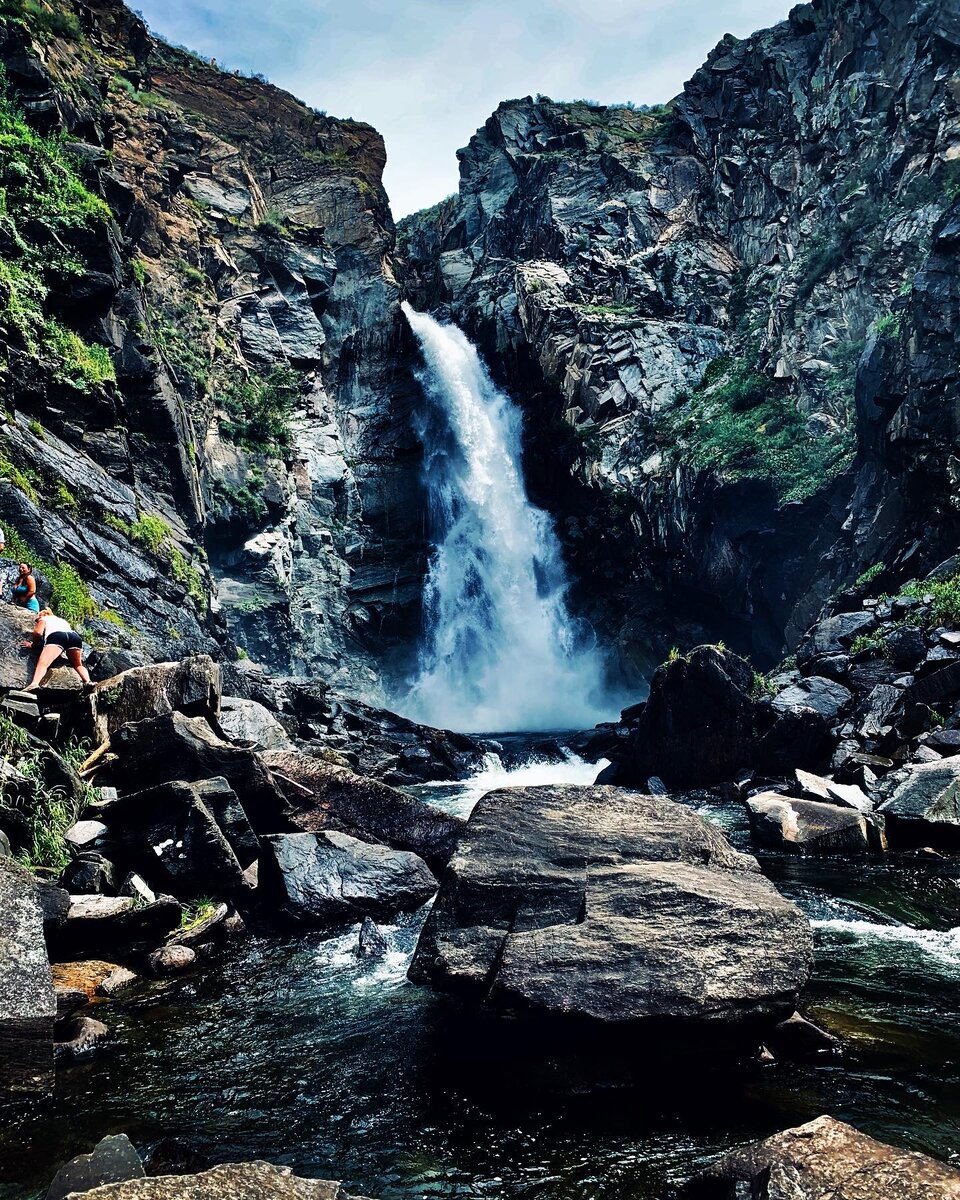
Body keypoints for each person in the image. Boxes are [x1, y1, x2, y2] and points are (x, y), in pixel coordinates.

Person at [23, 608, 91, 691]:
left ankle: (34, 683)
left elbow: (38, 633)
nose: (36, 621)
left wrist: (33, 645)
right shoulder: (62, 620)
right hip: (74, 637)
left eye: (36, 620)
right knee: (78, 664)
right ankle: (88, 681)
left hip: (57, 636)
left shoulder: (43, 618)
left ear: (42, 615)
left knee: (43, 663)